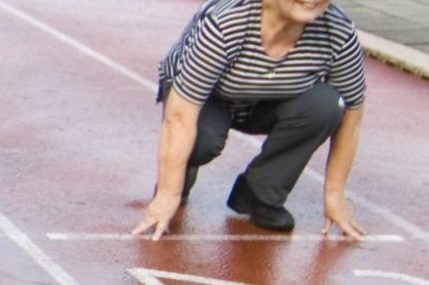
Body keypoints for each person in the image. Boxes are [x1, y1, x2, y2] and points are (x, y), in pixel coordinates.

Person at [134, 0, 369, 240]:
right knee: (203, 141)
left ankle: (261, 192)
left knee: (328, 104)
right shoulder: (226, 23)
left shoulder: (338, 31)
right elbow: (180, 116)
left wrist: (335, 195)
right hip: (207, 97)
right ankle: (181, 174)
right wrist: (167, 192)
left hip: (272, 97)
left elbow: (351, 116)